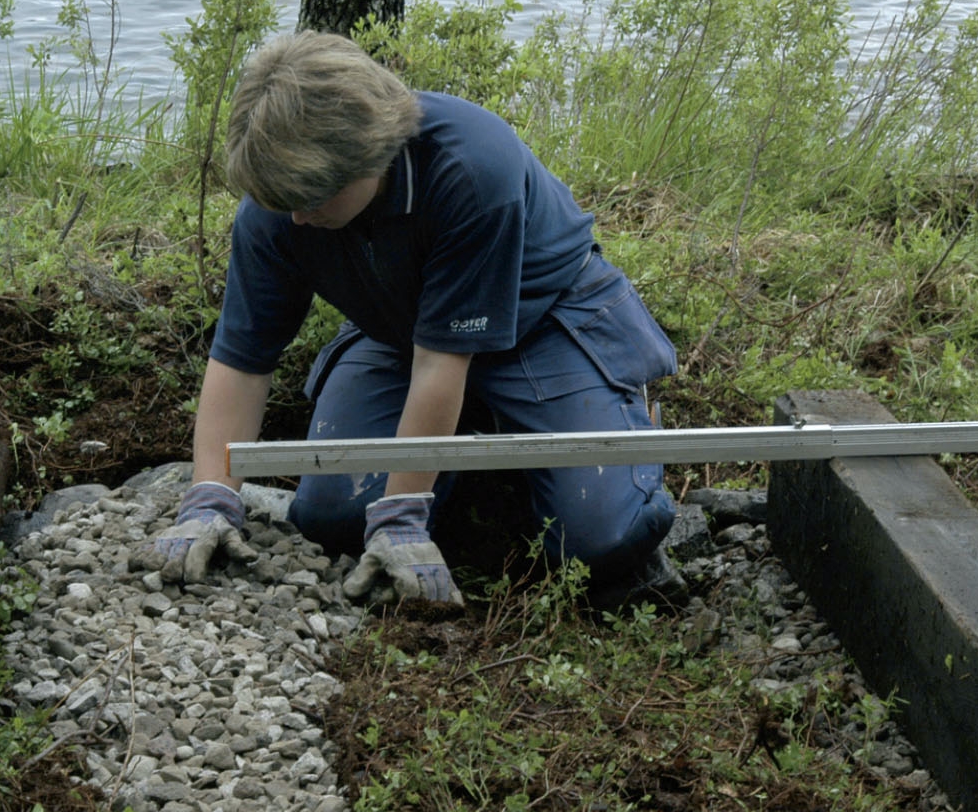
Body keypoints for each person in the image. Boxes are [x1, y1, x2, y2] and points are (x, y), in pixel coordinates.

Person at [149, 31, 684, 608]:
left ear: (370, 158)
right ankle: (467, 449)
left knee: (601, 541)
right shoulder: (282, 202)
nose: (298, 219)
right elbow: (241, 362)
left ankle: (614, 418)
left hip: (547, 322)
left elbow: (442, 363)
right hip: (403, 332)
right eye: (286, 203)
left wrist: (401, 517)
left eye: (314, 200)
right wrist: (208, 498)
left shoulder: (472, 168)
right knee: (332, 516)